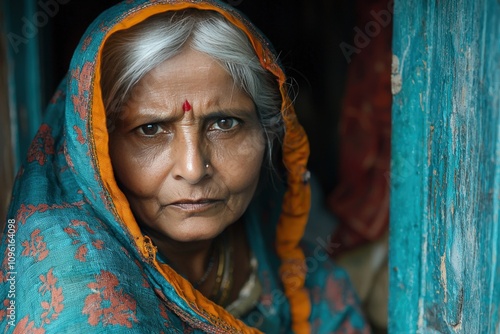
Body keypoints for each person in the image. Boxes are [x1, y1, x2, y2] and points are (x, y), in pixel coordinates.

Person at [0, 1, 370, 333]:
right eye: (150, 130)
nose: (194, 170)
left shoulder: (270, 232)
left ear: (271, 131)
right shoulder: (77, 288)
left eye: (225, 124)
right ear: (95, 150)